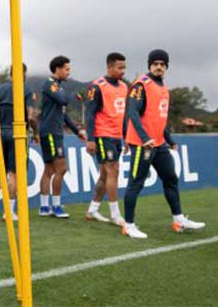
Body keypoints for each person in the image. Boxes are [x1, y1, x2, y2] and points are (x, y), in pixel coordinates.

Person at [122, 49, 205, 239]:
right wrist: (144, 138)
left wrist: (170, 140)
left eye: (162, 64)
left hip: (159, 145)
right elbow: (132, 113)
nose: (159, 66)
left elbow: (159, 119)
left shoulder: (164, 88)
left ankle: (178, 219)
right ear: (150, 65)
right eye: (155, 63)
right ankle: (128, 225)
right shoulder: (141, 85)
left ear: (166, 67)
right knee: (135, 184)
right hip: (142, 144)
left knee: (171, 179)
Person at [0, 63, 38, 220]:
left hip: (1, 133)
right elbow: (32, 116)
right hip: (17, 134)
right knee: (14, 173)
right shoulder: (26, 90)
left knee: (2, 169)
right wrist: (36, 132)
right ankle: (9, 212)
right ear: (23, 74)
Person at [38, 55, 87, 218]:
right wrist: (74, 95)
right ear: (57, 69)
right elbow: (63, 100)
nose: (69, 72)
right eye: (66, 69)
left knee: (49, 170)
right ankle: (56, 207)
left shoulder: (59, 87)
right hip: (51, 132)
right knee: (62, 168)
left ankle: (44, 207)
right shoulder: (50, 84)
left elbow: (63, 114)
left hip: (52, 131)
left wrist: (77, 131)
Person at [84, 52, 128, 226]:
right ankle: (115, 215)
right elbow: (89, 114)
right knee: (113, 171)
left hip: (117, 136)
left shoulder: (124, 87)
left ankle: (92, 210)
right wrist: (91, 139)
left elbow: (124, 116)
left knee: (104, 175)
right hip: (103, 135)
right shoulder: (97, 86)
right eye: (120, 67)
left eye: (124, 67)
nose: (123, 71)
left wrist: (126, 137)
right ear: (109, 67)